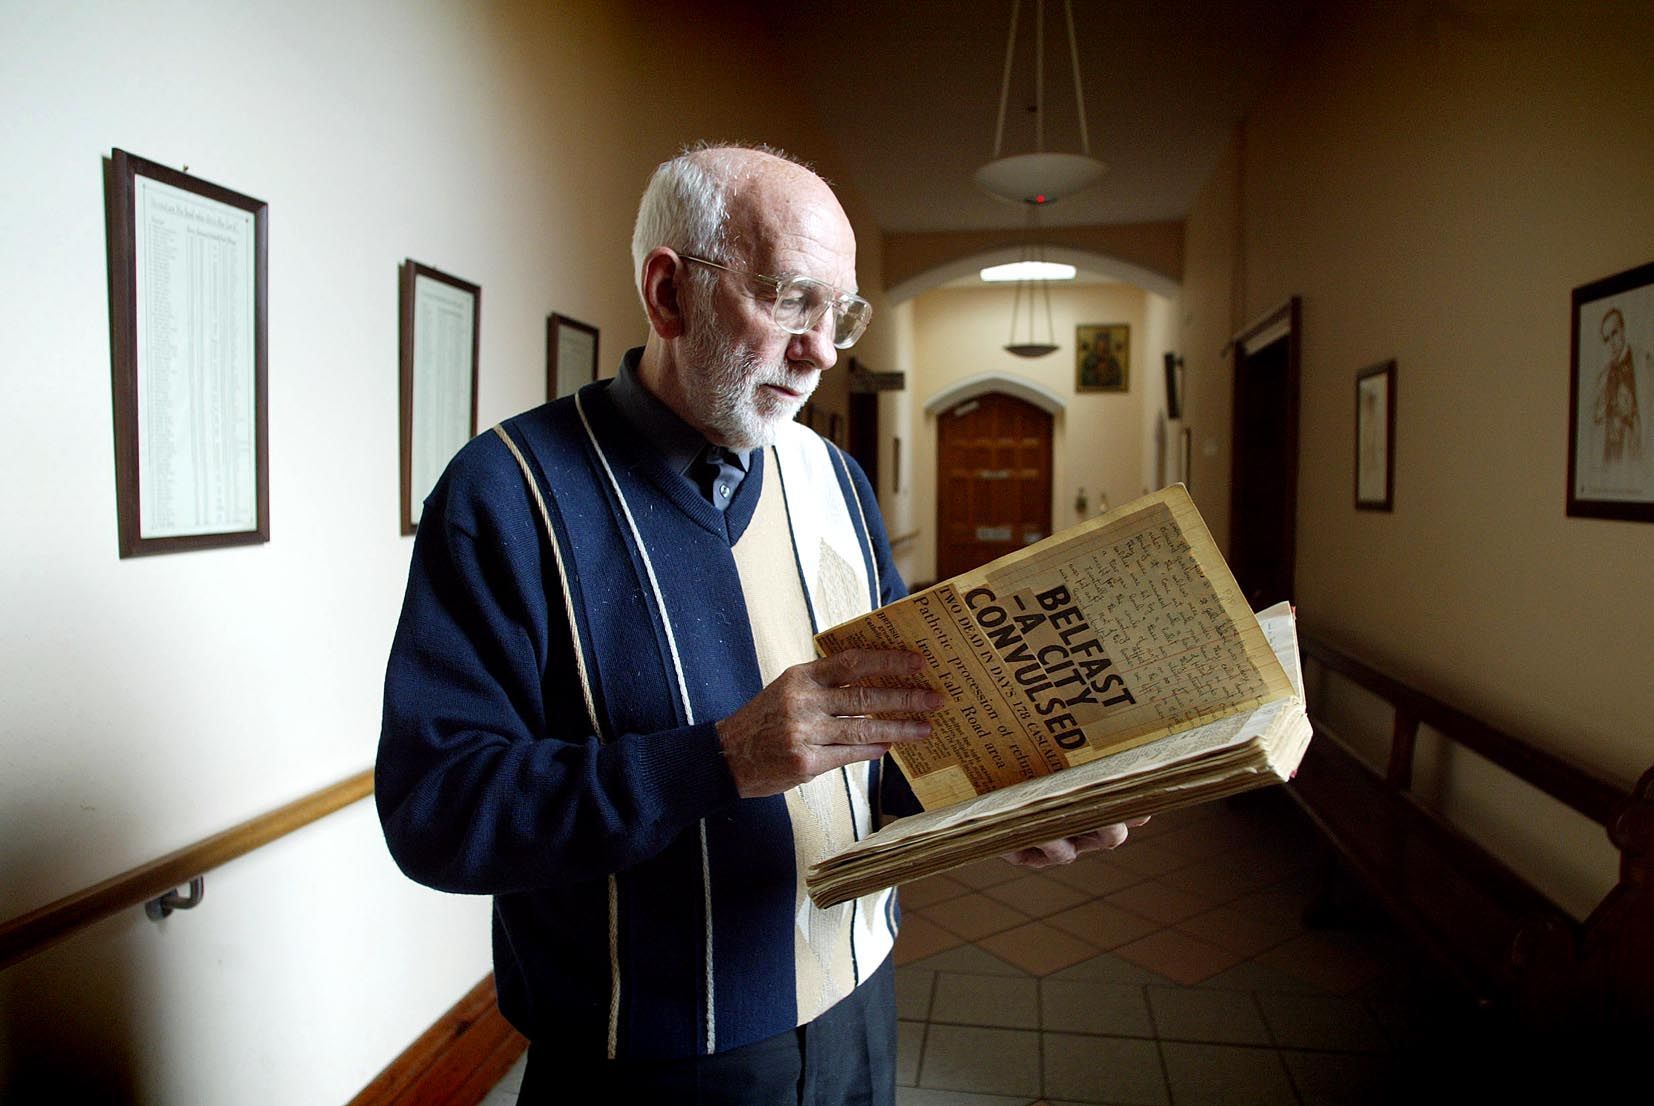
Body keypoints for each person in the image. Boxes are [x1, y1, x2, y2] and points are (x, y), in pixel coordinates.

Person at [376, 142, 1141, 1105]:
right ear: (668, 294)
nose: (822, 347)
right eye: (789, 299)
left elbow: (887, 747)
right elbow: (436, 812)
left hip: (858, 1011)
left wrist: (992, 808)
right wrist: (719, 758)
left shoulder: (838, 484)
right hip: (647, 1058)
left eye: (839, 313)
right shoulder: (506, 493)